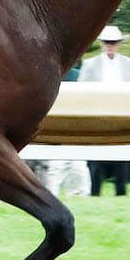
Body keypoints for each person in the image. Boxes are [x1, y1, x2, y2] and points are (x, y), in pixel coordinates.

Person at [80, 25, 130, 196]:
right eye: (107, 42)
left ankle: (121, 193)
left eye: (113, 43)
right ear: (102, 44)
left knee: (121, 159)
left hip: (121, 116)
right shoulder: (90, 65)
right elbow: (82, 92)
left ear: (118, 44)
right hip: (97, 116)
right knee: (95, 161)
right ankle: (94, 192)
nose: (110, 46)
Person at [42, 60, 90, 198]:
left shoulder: (78, 76)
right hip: (53, 130)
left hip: (74, 130)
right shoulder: (48, 74)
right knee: (55, 170)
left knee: (77, 168)